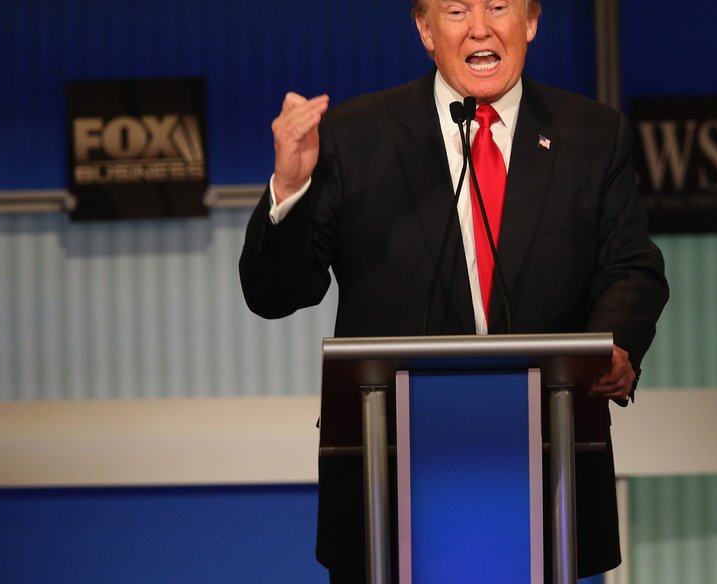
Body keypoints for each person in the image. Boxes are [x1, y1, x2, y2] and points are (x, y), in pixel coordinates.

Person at [240, 0, 668, 580]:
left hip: (546, 471)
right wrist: (288, 188)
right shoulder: (356, 137)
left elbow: (633, 268)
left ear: (532, 22)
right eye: (458, 10)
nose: (481, 28)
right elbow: (275, 294)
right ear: (425, 30)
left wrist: (613, 344)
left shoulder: (593, 134)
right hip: (387, 481)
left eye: (498, 7)